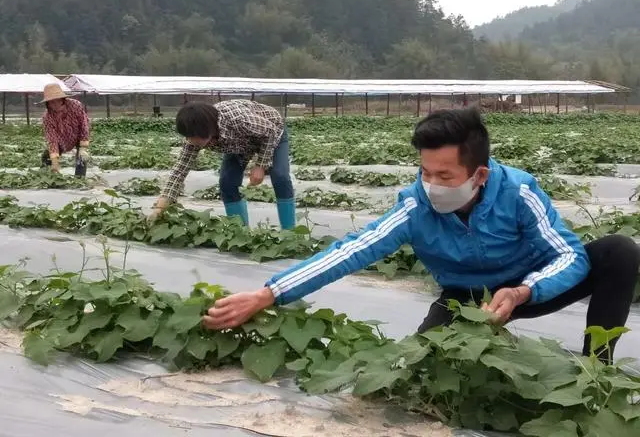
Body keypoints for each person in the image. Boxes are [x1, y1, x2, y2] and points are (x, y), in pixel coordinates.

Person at [203, 107, 640, 361]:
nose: (432, 184)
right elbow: (352, 250)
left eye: (445, 175)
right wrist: (268, 294)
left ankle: (596, 368)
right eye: (424, 171)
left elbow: (569, 256)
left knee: (618, 251)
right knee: (421, 363)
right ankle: (479, 339)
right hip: (466, 300)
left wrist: (525, 290)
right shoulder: (415, 205)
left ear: (480, 174)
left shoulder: (518, 191)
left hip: (531, 287)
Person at [150, 100, 296, 230]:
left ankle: (290, 232)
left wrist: (261, 165)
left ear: (208, 129)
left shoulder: (239, 119)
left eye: (194, 136)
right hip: (239, 145)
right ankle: (240, 232)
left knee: (280, 175)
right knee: (227, 183)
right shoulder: (194, 139)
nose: (191, 140)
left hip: (272, 131)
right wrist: (160, 206)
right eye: (188, 136)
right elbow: (180, 170)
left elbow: (269, 131)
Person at [40, 83, 90, 177]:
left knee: (82, 158)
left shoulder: (75, 105)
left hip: (78, 136)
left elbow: (84, 124)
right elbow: (52, 138)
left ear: (61, 99)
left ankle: (79, 180)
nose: (54, 104)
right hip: (60, 139)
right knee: (47, 157)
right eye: (51, 102)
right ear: (47, 103)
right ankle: (47, 177)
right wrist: (54, 161)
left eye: (56, 100)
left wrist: (83, 147)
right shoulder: (47, 117)